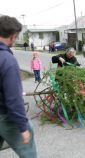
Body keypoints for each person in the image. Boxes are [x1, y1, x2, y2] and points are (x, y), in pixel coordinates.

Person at [0, 15, 37, 157]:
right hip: (5, 115)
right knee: (28, 151)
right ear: (12, 36)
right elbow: (13, 98)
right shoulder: (7, 60)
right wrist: (23, 127)